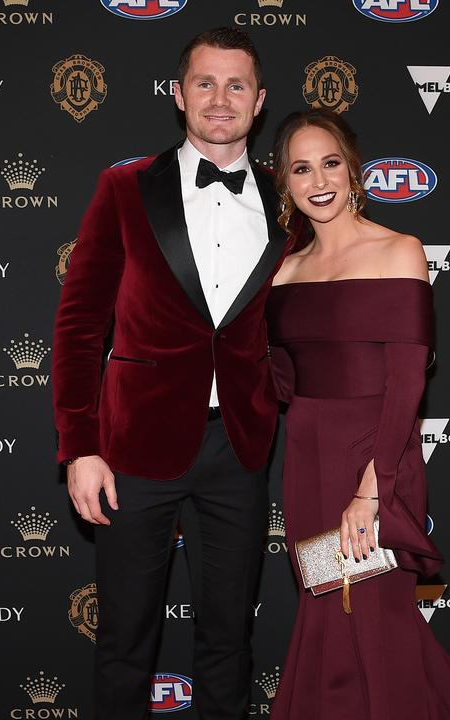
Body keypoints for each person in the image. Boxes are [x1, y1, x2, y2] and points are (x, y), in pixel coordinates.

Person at [51, 28, 288, 720]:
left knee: (228, 639)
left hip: (239, 449)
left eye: (236, 84)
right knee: (126, 639)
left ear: (260, 100)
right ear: (179, 95)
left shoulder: (286, 203)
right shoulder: (125, 188)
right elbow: (78, 324)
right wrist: (79, 446)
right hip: (133, 450)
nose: (221, 99)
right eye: (205, 83)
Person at [265, 109, 450, 720]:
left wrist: (372, 490)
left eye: (330, 163)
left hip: (377, 455)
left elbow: (408, 383)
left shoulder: (399, 250)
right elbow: (277, 381)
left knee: (379, 618)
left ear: (353, 170)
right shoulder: (283, 271)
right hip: (307, 460)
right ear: (284, 182)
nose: (318, 180)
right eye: (301, 167)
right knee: (326, 609)